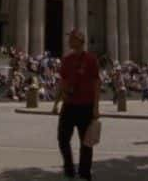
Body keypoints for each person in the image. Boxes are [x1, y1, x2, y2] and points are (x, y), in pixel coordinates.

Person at [52, 29, 100, 181]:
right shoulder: (66, 60)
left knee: (86, 142)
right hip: (69, 104)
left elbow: (96, 83)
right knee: (62, 138)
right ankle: (69, 169)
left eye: (71, 38)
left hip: (86, 104)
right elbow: (62, 83)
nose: (68, 41)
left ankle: (85, 174)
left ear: (79, 40)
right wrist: (56, 103)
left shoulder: (91, 59)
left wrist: (96, 107)